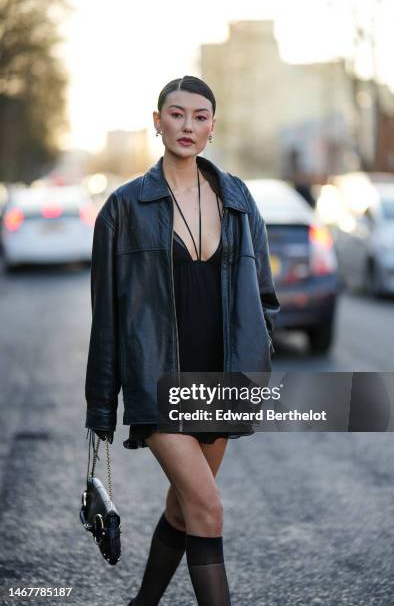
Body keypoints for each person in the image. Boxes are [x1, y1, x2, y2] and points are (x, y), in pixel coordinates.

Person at [85, 75, 280, 605]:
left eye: (199, 116)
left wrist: (258, 356)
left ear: (212, 127)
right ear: (157, 121)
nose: (187, 125)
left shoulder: (238, 200)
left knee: (184, 508)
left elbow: (264, 297)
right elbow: (107, 318)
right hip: (157, 383)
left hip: (220, 381)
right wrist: (102, 407)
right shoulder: (123, 209)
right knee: (209, 509)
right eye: (176, 114)